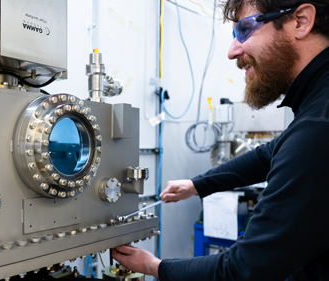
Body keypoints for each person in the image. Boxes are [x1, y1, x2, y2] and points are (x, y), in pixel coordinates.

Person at [112, 0, 329, 280]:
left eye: (245, 29)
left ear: (300, 21)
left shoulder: (318, 129)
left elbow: (242, 270)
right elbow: (269, 154)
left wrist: (153, 266)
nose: (232, 51)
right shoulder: (316, 105)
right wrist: (196, 185)